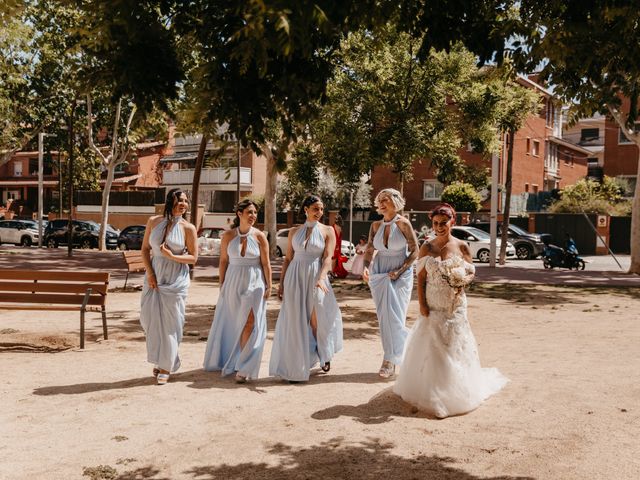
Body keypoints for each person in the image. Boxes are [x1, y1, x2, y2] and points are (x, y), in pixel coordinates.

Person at [394, 203, 508, 418]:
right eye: (435, 223)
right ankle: (433, 392)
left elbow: (470, 273)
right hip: (433, 303)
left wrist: (462, 281)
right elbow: (420, 278)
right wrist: (421, 304)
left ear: (452, 222)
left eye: (443, 223)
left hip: (455, 305)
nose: (439, 227)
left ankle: (453, 391)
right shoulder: (427, 247)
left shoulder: (462, 246)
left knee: (453, 345)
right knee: (432, 346)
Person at [269, 195, 343, 383]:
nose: (319, 212)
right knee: (296, 319)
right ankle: (298, 363)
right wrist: (282, 282)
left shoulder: (328, 231)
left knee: (316, 319)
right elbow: (287, 259)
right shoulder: (294, 231)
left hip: (316, 276)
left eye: (321, 209)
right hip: (295, 276)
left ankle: (324, 353)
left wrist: (321, 277)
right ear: (306, 210)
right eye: (315, 209)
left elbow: (328, 258)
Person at [203, 199, 271, 383]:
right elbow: (223, 261)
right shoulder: (227, 236)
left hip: (254, 280)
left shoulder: (260, 236)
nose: (253, 216)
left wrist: (269, 285)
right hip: (232, 280)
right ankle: (231, 357)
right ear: (239, 214)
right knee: (234, 321)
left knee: (250, 321)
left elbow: (265, 263)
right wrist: (222, 284)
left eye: (255, 213)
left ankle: (244, 366)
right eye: (249, 212)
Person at [140, 189, 198, 385]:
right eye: (179, 200)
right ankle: (161, 358)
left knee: (171, 323)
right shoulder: (153, 221)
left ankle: (166, 366)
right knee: (150, 320)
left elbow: (193, 258)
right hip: (154, 276)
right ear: (169, 201)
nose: (183, 203)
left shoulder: (188, 228)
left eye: (186, 201)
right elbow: (145, 249)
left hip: (176, 279)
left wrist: (172, 256)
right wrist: (150, 273)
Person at [363, 188, 418, 378]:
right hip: (379, 273)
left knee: (396, 316)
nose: (382, 203)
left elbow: (415, 251)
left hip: (401, 272)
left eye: (386, 200)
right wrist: (365, 267)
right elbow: (370, 249)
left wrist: (400, 270)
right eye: (380, 200)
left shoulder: (404, 224)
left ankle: (390, 360)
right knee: (384, 317)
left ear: (395, 202)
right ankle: (393, 358)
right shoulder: (375, 226)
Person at [331, 215, 348, 279]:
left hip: (335, 245)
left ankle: (332, 272)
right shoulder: (340, 227)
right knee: (334, 259)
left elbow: (335, 237)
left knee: (334, 259)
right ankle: (333, 272)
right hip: (337, 244)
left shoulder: (334, 227)